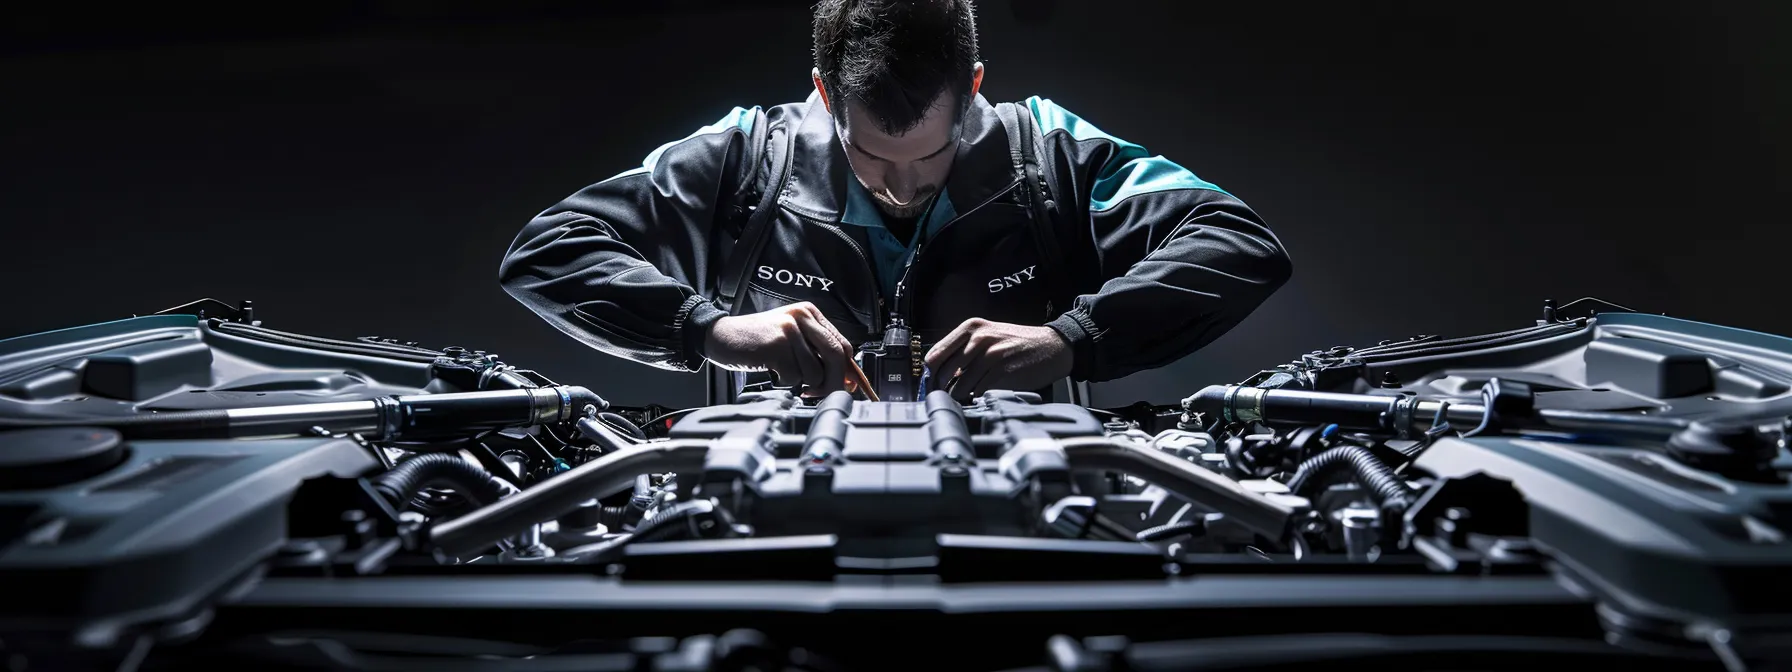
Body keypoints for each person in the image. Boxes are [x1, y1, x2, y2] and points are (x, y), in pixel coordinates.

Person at [499, 0, 1292, 403]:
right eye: (869, 154)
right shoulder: (746, 154)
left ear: (973, 89)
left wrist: (1070, 339)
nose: (900, 186)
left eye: (932, 155)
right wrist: (711, 328)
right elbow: (548, 249)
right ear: (823, 95)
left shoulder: (1053, 150)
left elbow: (1237, 242)